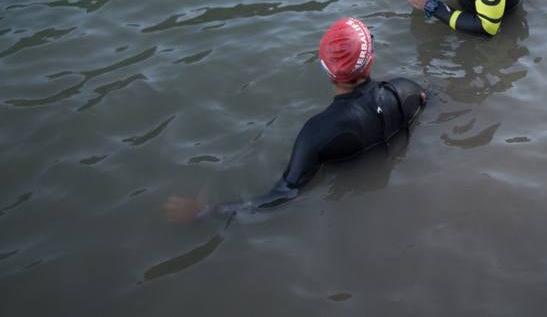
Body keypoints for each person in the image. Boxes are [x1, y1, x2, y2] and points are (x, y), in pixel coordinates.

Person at [163, 18, 426, 221]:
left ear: (327, 71)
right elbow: (427, 102)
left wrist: (207, 211)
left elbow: (282, 196)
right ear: (370, 61)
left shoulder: (316, 133)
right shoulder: (406, 91)